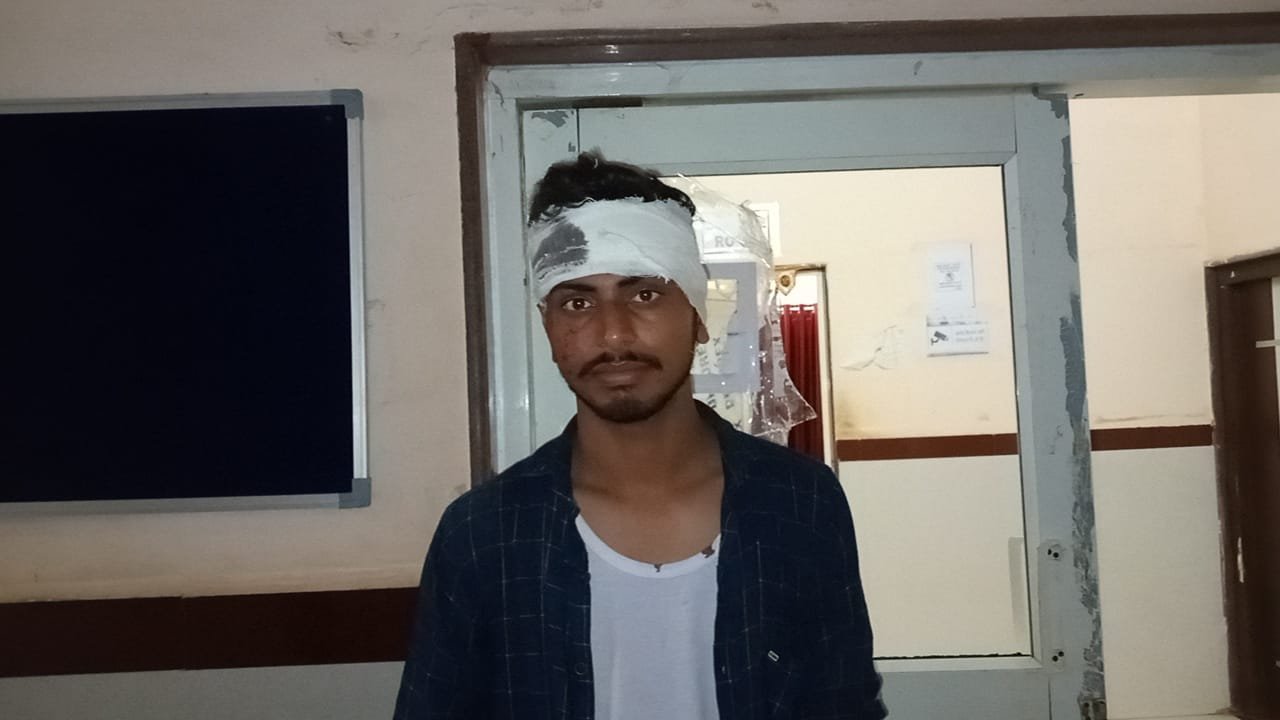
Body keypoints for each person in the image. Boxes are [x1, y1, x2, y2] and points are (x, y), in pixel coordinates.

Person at [394, 152, 886, 720]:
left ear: (697, 316)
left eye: (645, 294)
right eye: (578, 302)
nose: (613, 334)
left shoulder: (800, 503)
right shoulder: (484, 534)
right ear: (550, 327)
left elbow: (844, 704)